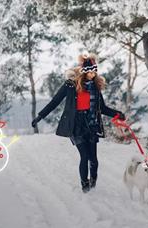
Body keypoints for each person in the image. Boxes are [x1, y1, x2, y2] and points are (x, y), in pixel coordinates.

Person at [31, 53, 125, 193]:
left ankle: (93, 179)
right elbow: (54, 102)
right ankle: (84, 184)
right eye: (90, 72)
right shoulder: (70, 86)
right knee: (84, 156)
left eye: (95, 72)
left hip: (92, 124)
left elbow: (102, 108)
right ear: (84, 72)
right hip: (76, 125)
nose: (93, 75)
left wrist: (118, 114)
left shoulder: (95, 88)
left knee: (93, 159)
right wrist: (40, 116)